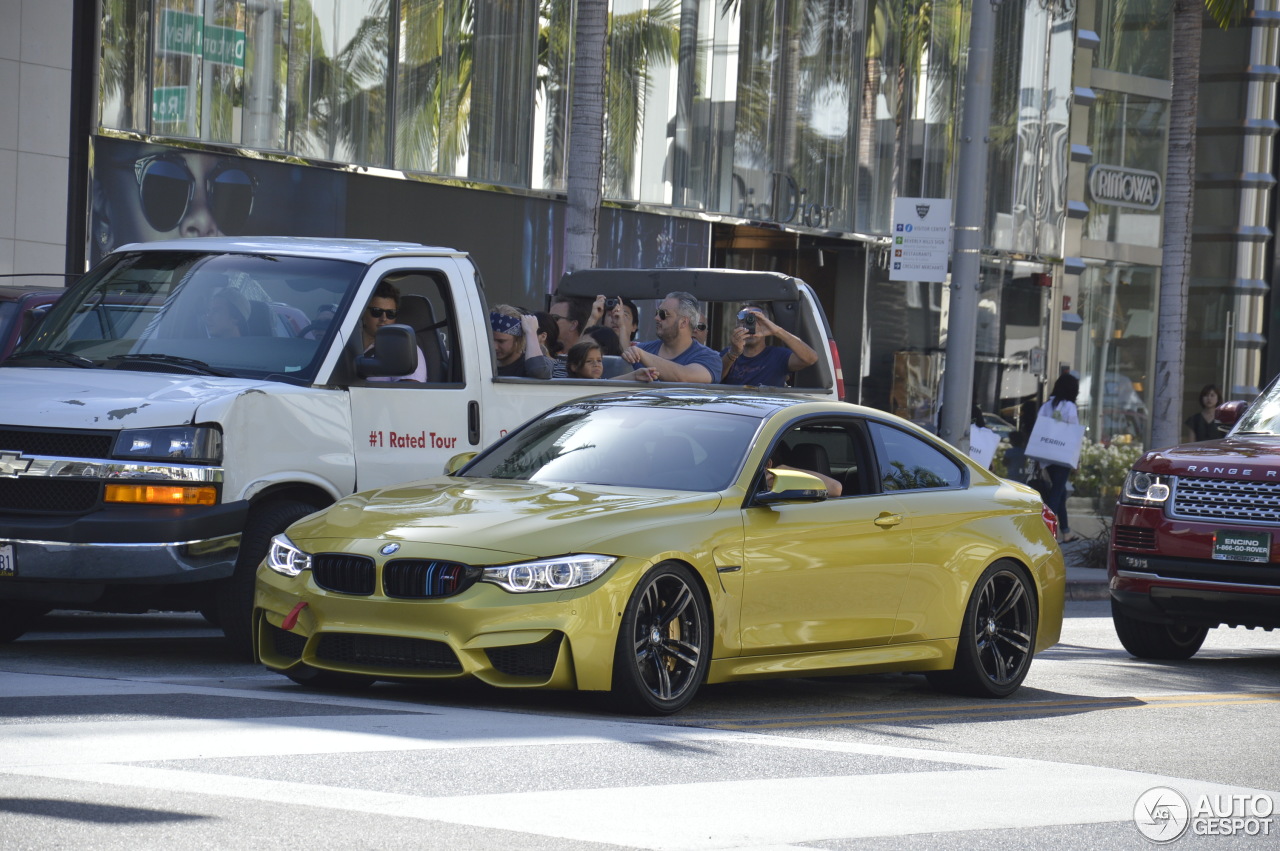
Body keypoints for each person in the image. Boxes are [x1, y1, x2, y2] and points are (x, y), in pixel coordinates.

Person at [620, 291, 721, 383]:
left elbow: (683, 377)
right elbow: (612, 385)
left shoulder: (710, 358)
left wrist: (642, 355)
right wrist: (633, 376)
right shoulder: (642, 350)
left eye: (663, 314)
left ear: (683, 322)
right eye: (657, 313)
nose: (656, 318)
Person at [720, 303, 818, 386]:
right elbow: (715, 378)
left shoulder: (778, 356)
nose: (750, 325)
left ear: (766, 324)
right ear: (737, 326)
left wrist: (777, 331)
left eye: (756, 320)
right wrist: (733, 353)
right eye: (744, 321)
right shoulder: (728, 354)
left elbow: (811, 359)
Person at [1038, 372, 1080, 543]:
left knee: (1060, 491)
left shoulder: (1046, 406)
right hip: (1063, 454)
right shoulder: (1070, 407)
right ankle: (1046, 529)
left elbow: (1039, 428)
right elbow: (1074, 433)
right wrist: (1077, 458)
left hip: (1047, 454)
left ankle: (1066, 531)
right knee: (1057, 492)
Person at [362, 280, 427, 382]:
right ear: (362, 313)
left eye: (391, 313)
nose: (384, 318)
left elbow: (409, 393)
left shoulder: (404, 347)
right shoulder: (342, 345)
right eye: (376, 311)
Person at [491, 305, 553, 378]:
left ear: (518, 340)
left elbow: (539, 371)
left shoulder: (535, 363)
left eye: (501, 341)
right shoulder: (485, 362)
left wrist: (531, 332)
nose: (494, 347)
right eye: (491, 340)